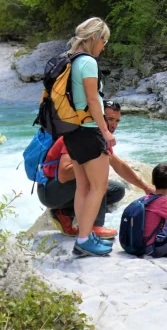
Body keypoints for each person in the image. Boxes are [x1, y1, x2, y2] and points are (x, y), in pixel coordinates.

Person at [38, 100, 154, 238]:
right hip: (51, 191)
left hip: (65, 190)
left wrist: (145, 187)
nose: (114, 125)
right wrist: (90, 162)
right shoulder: (79, 134)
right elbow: (63, 174)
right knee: (97, 179)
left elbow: (119, 166)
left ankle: (65, 213)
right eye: (110, 119)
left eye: (117, 121)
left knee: (117, 190)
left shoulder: (98, 137)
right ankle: (95, 226)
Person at [62, 17, 116, 257]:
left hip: (71, 131)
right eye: (103, 40)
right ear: (94, 37)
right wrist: (105, 131)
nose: (103, 46)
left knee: (82, 186)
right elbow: (93, 99)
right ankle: (84, 239)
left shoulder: (69, 60)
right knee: (99, 186)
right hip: (88, 129)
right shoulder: (88, 63)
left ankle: (82, 236)